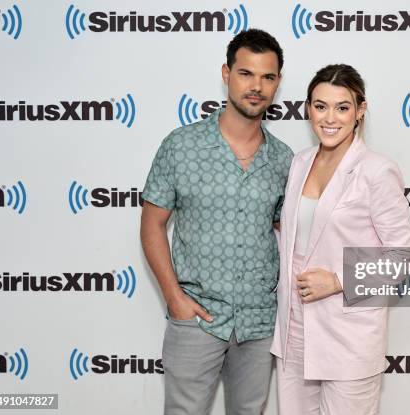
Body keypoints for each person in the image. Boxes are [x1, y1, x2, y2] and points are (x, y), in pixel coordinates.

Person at [140, 29, 293, 415]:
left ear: (277, 83)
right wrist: (175, 298)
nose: (256, 86)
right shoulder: (181, 146)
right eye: (246, 73)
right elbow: (152, 224)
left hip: (259, 323)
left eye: (268, 77)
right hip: (197, 318)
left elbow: (289, 234)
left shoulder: (284, 159)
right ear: (226, 74)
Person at [270, 64, 410, 414]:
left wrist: (337, 280)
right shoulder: (300, 163)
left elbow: (406, 256)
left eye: (342, 107)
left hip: (347, 337)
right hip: (293, 332)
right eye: (320, 106)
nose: (329, 118)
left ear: (360, 110)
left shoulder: (376, 171)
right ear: (308, 108)